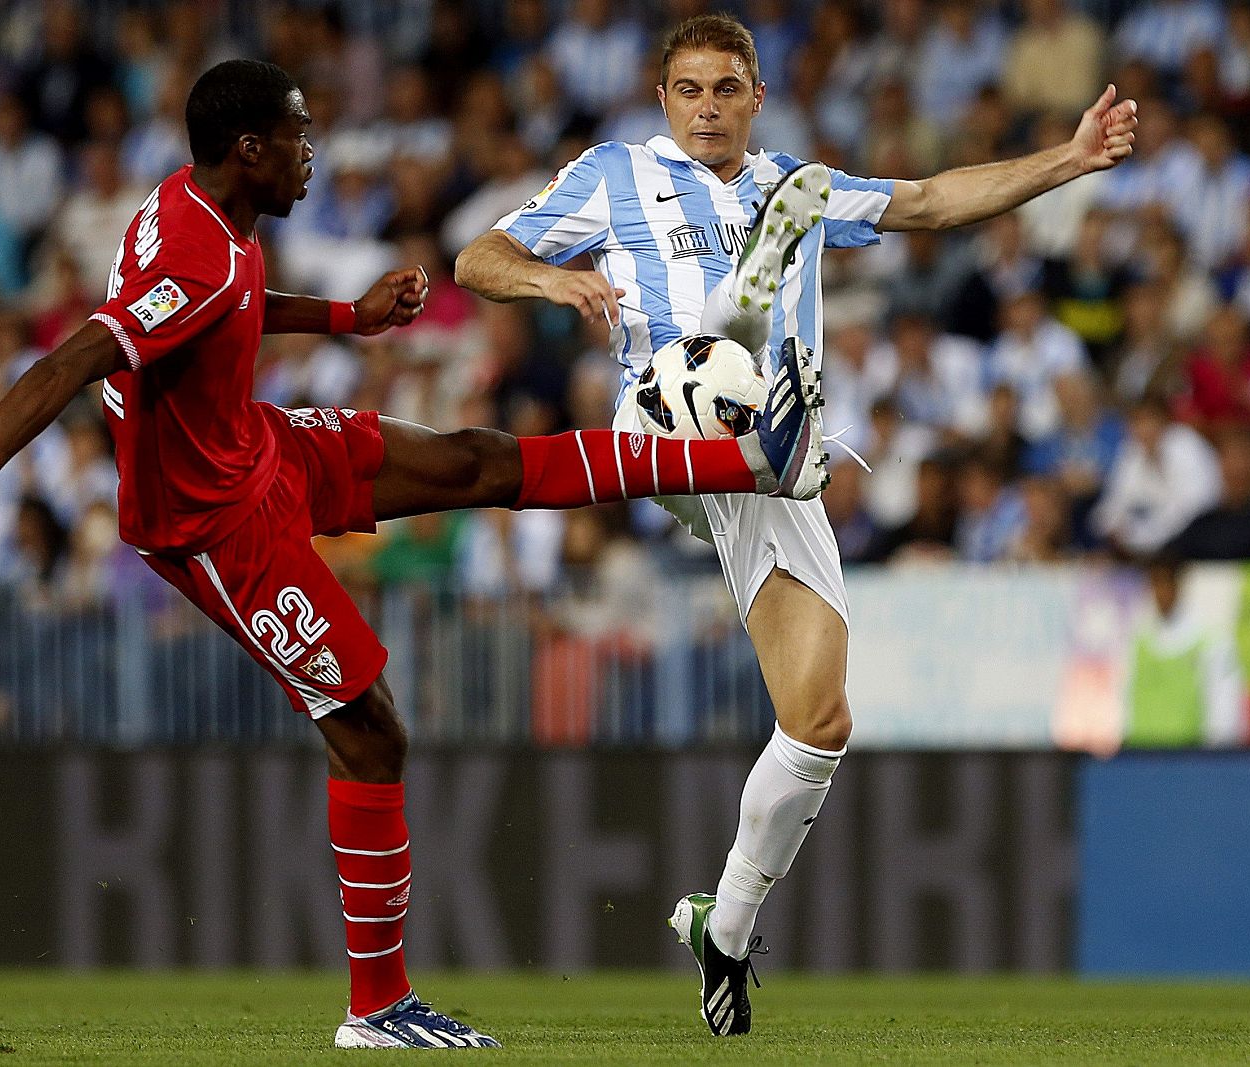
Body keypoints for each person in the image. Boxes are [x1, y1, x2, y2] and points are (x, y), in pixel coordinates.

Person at [0, 58, 824, 1051]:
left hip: (254, 441)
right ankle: (376, 1008)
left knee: (472, 461)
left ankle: (750, 457)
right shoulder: (192, 253)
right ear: (251, 150)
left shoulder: (204, 213)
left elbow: (227, 302)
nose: (312, 153)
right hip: (209, 523)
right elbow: (77, 356)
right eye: (298, 135)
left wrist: (345, 318)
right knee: (370, 728)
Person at [455, 13, 1138, 1037]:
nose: (706, 109)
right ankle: (742, 382)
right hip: (667, 423)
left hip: (774, 473)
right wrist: (552, 276)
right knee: (720, 375)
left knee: (820, 720)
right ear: (661, 97)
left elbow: (931, 200)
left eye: (726, 89)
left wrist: (1069, 159)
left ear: (756, 97)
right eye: (688, 89)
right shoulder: (611, 173)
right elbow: (476, 256)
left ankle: (721, 924)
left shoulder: (797, 185)